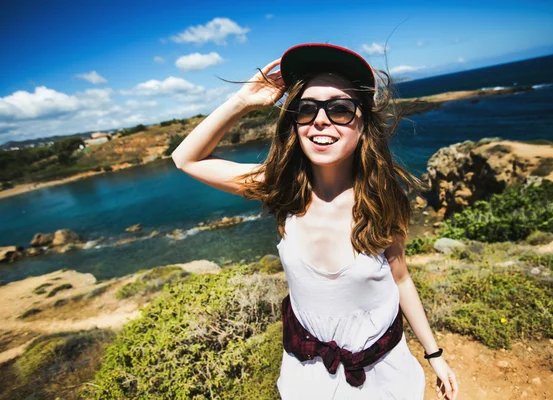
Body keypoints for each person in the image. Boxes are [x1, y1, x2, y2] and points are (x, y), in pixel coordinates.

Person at [172, 43, 459, 400]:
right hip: (307, 376)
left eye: (340, 109)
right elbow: (185, 159)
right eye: (306, 109)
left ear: (363, 125)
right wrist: (242, 101)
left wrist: (434, 356)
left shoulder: (381, 201)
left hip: (381, 373)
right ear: (295, 124)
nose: (320, 119)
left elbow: (401, 280)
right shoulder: (280, 188)